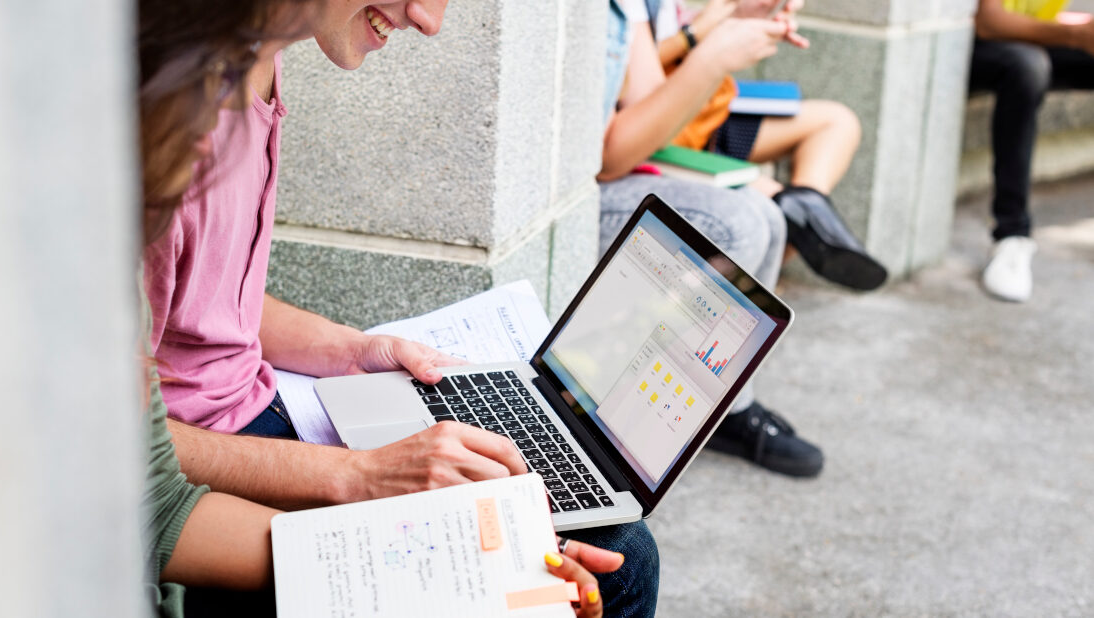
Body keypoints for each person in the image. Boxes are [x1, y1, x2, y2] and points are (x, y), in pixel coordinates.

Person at [142, 1, 661, 615]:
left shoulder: (259, 62)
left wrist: (353, 350)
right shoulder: (166, 117)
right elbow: (133, 469)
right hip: (197, 461)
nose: (428, 19)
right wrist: (365, 487)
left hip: (248, 411)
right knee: (614, 560)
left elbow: (202, 294)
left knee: (587, 545)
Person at [598, 0, 824, 478]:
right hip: (580, 192)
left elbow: (650, 110)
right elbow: (611, 158)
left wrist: (728, 29)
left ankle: (722, 408)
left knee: (769, 216)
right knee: (735, 224)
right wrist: (710, 52)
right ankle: (627, 434)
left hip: (641, 163)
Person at [646, 0, 887, 291]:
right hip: (665, 134)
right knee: (769, 206)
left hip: (707, 116)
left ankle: (805, 207)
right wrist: (696, 34)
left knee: (838, 122)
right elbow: (637, 77)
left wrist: (741, 19)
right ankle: (799, 231)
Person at [971, 0, 1094, 302]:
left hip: (1022, 40)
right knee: (1026, 68)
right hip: (958, 41)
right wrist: (1077, 35)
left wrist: (1081, 28)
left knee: (1029, 61)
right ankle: (1011, 235)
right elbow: (989, 22)